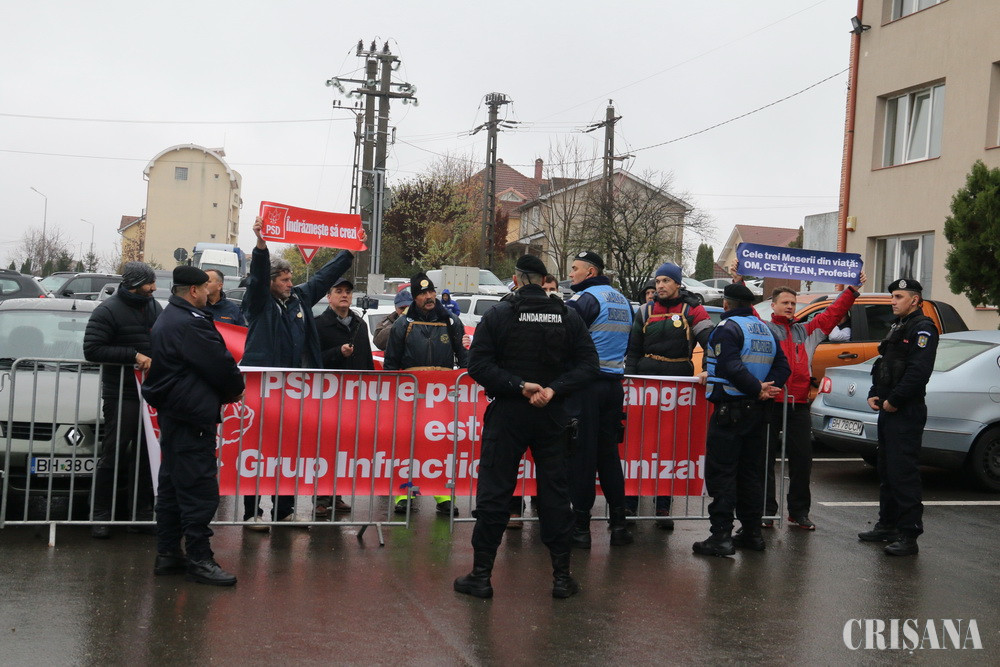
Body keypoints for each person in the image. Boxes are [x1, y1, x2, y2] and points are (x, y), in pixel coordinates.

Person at [454, 254, 599, 599]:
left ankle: (481, 576)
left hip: (509, 412)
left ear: (517, 279)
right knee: (555, 494)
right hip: (552, 414)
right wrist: (553, 389)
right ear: (544, 279)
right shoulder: (567, 316)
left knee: (495, 492)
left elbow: (478, 365)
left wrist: (519, 386)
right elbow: (589, 366)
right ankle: (562, 578)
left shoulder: (500, 314)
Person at [239, 216, 357, 531]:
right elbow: (257, 276)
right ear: (271, 282)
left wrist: (349, 252)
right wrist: (261, 245)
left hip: (295, 390)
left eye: (291, 278)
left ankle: (284, 510)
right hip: (264, 389)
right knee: (259, 450)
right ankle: (252, 512)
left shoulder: (300, 299)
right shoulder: (259, 301)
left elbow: (322, 277)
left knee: (288, 449)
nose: (290, 284)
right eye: (284, 279)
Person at [142, 265, 245, 585]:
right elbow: (220, 364)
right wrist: (235, 388)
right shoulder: (189, 322)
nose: (209, 292)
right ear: (194, 291)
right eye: (205, 288)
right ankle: (200, 559)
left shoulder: (171, 317)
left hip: (178, 414)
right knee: (199, 490)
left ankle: (168, 553)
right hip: (191, 416)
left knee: (173, 487)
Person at [751, 270, 866, 531]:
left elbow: (832, 314)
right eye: (785, 302)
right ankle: (766, 512)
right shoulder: (764, 329)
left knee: (802, 461)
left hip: (798, 404)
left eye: (793, 303)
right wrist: (738, 280)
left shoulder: (807, 331)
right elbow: (748, 312)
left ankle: (799, 512)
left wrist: (852, 290)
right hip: (770, 403)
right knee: (764, 460)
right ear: (773, 305)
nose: (790, 307)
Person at [693, 283, 789, 557]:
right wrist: (767, 389)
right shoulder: (766, 330)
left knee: (723, 474)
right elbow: (783, 366)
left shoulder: (727, 328)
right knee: (750, 475)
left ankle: (721, 536)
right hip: (758, 413)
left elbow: (730, 366)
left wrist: (757, 388)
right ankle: (752, 533)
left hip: (731, 413)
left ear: (726, 304)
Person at [624, 262, 714, 529]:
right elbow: (633, 351)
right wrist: (629, 384)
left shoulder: (693, 310)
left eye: (665, 281)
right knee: (637, 446)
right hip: (644, 387)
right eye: (657, 281)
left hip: (677, 389)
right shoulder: (644, 310)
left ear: (677, 284)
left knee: (669, 447)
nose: (660, 286)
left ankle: (663, 507)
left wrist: (708, 369)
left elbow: (713, 343)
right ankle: (629, 503)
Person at [83, 261, 162, 539]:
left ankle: (141, 514)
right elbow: (92, 349)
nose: (154, 288)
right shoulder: (107, 310)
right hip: (121, 393)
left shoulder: (154, 307)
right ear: (134, 285)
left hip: (150, 393)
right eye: (149, 283)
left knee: (145, 454)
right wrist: (133, 356)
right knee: (114, 453)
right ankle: (100, 514)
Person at [859, 278, 937, 557]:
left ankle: (909, 534)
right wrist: (875, 393)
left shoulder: (923, 328)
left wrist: (895, 400)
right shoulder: (898, 326)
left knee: (903, 473)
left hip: (905, 411)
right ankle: (888, 525)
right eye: (892, 296)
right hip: (888, 409)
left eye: (899, 296)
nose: (893, 301)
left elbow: (918, 372)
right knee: (887, 470)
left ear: (914, 300)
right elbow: (884, 364)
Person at [565, 251, 634, 548]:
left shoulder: (585, 299)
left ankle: (581, 529)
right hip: (613, 386)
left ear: (590, 272)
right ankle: (619, 526)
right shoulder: (622, 301)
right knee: (608, 457)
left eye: (575, 268)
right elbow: (628, 343)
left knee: (582, 456)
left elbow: (564, 338)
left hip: (586, 387)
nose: (571, 274)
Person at [384, 272, 469, 515]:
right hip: (410, 395)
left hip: (442, 396)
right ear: (414, 297)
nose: (429, 297)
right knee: (408, 444)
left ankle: (443, 495)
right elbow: (391, 363)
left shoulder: (451, 321)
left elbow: (464, 358)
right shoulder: (402, 324)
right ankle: (404, 494)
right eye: (422, 293)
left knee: (441, 444)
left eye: (431, 291)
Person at [314, 276, 374, 518]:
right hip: (327, 397)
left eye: (348, 291)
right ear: (329, 297)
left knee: (344, 448)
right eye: (338, 291)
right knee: (325, 448)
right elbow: (313, 360)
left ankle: (337, 495)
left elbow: (367, 361)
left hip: (354, 397)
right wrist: (337, 352)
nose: (344, 295)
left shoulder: (360, 324)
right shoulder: (319, 324)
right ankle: (321, 498)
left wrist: (370, 390)